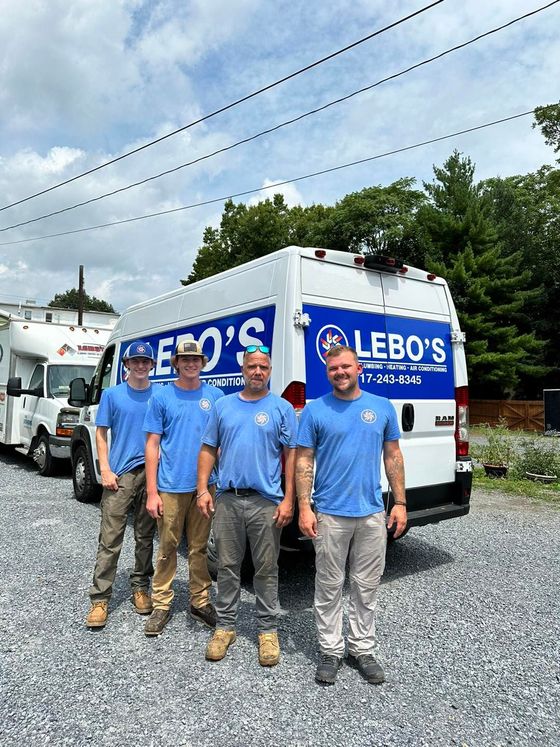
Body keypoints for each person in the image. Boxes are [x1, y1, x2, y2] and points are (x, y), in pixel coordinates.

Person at [296, 345, 407, 685]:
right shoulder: (315, 411)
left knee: (366, 585)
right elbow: (303, 460)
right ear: (327, 373)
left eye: (345, 367)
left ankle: (362, 648)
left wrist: (400, 503)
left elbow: (393, 456)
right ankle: (330, 650)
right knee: (329, 585)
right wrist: (304, 506)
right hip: (330, 513)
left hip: (372, 513)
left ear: (359, 368)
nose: (339, 373)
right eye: (333, 369)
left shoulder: (381, 407)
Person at [197, 345, 297, 667]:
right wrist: (202, 490)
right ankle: (225, 627)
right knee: (227, 567)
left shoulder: (281, 408)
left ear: (270, 371)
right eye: (252, 366)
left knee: (266, 568)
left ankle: (267, 631)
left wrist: (289, 498)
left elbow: (291, 455)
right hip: (227, 499)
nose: (258, 372)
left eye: (263, 367)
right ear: (243, 369)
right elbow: (208, 448)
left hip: (265, 501)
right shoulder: (223, 406)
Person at [143, 340, 224, 637]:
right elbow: (152, 445)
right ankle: (162, 603)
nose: (191, 363)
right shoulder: (163, 397)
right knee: (167, 546)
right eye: (185, 359)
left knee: (200, 548)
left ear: (203, 362)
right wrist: (152, 492)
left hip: (205, 486)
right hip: (171, 485)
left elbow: (222, 442)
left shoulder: (215, 396)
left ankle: (200, 601)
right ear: (175, 362)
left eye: (196, 359)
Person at [85, 341, 157, 629]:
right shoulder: (112, 395)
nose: (140, 366)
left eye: (145, 362)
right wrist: (105, 468)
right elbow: (101, 434)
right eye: (135, 362)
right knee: (110, 538)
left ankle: (140, 587)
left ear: (152, 365)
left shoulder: (160, 395)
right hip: (121, 475)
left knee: (145, 536)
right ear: (126, 364)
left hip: (151, 474)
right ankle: (100, 599)